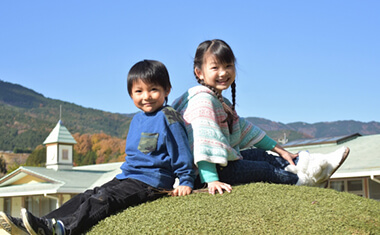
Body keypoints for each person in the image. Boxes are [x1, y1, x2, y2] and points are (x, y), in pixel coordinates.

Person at [0, 60, 195, 235]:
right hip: (126, 177)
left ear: (167, 90)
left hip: (151, 183)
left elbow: (181, 150)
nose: (146, 96)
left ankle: (63, 229)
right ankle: (40, 224)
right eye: (139, 91)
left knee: (105, 198)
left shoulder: (168, 117)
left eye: (153, 89)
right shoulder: (137, 119)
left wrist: (186, 180)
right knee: (88, 194)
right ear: (130, 94)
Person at [172, 39, 349, 195]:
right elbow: (204, 143)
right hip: (203, 174)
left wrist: (281, 150)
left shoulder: (218, 100)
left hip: (219, 166)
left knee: (259, 154)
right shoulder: (202, 101)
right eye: (215, 67)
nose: (223, 72)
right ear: (199, 73)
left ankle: (309, 164)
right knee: (263, 168)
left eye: (228, 66)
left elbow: (245, 129)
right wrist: (211, 180)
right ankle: (305, 182)